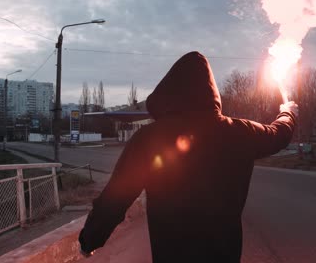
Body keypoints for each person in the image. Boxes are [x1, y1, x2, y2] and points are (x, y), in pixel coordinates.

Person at [78, 51, 298, 262]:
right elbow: (279, 134)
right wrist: (288, 112)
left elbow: (116, 197)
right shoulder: (240, 131)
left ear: (169, 93)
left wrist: (90, 240)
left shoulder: (148, 138)